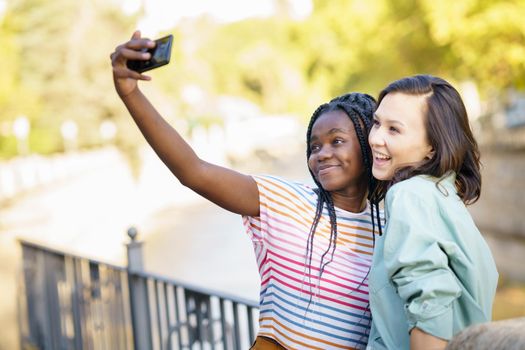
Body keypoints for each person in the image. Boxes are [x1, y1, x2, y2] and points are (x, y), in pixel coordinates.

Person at [111, 31, 381, 349]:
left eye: (337, 141)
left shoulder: (388, 224)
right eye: (314, 145)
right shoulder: (286, 203)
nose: (321, 153)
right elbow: (193, 172)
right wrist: (130, 93)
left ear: (369, 146)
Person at [366, 74, 498, 350]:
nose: (376, 138)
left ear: (432, 148)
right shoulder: (443, 195)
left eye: (394, 129)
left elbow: (430, 307)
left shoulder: (409, 196)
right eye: (377, 123)